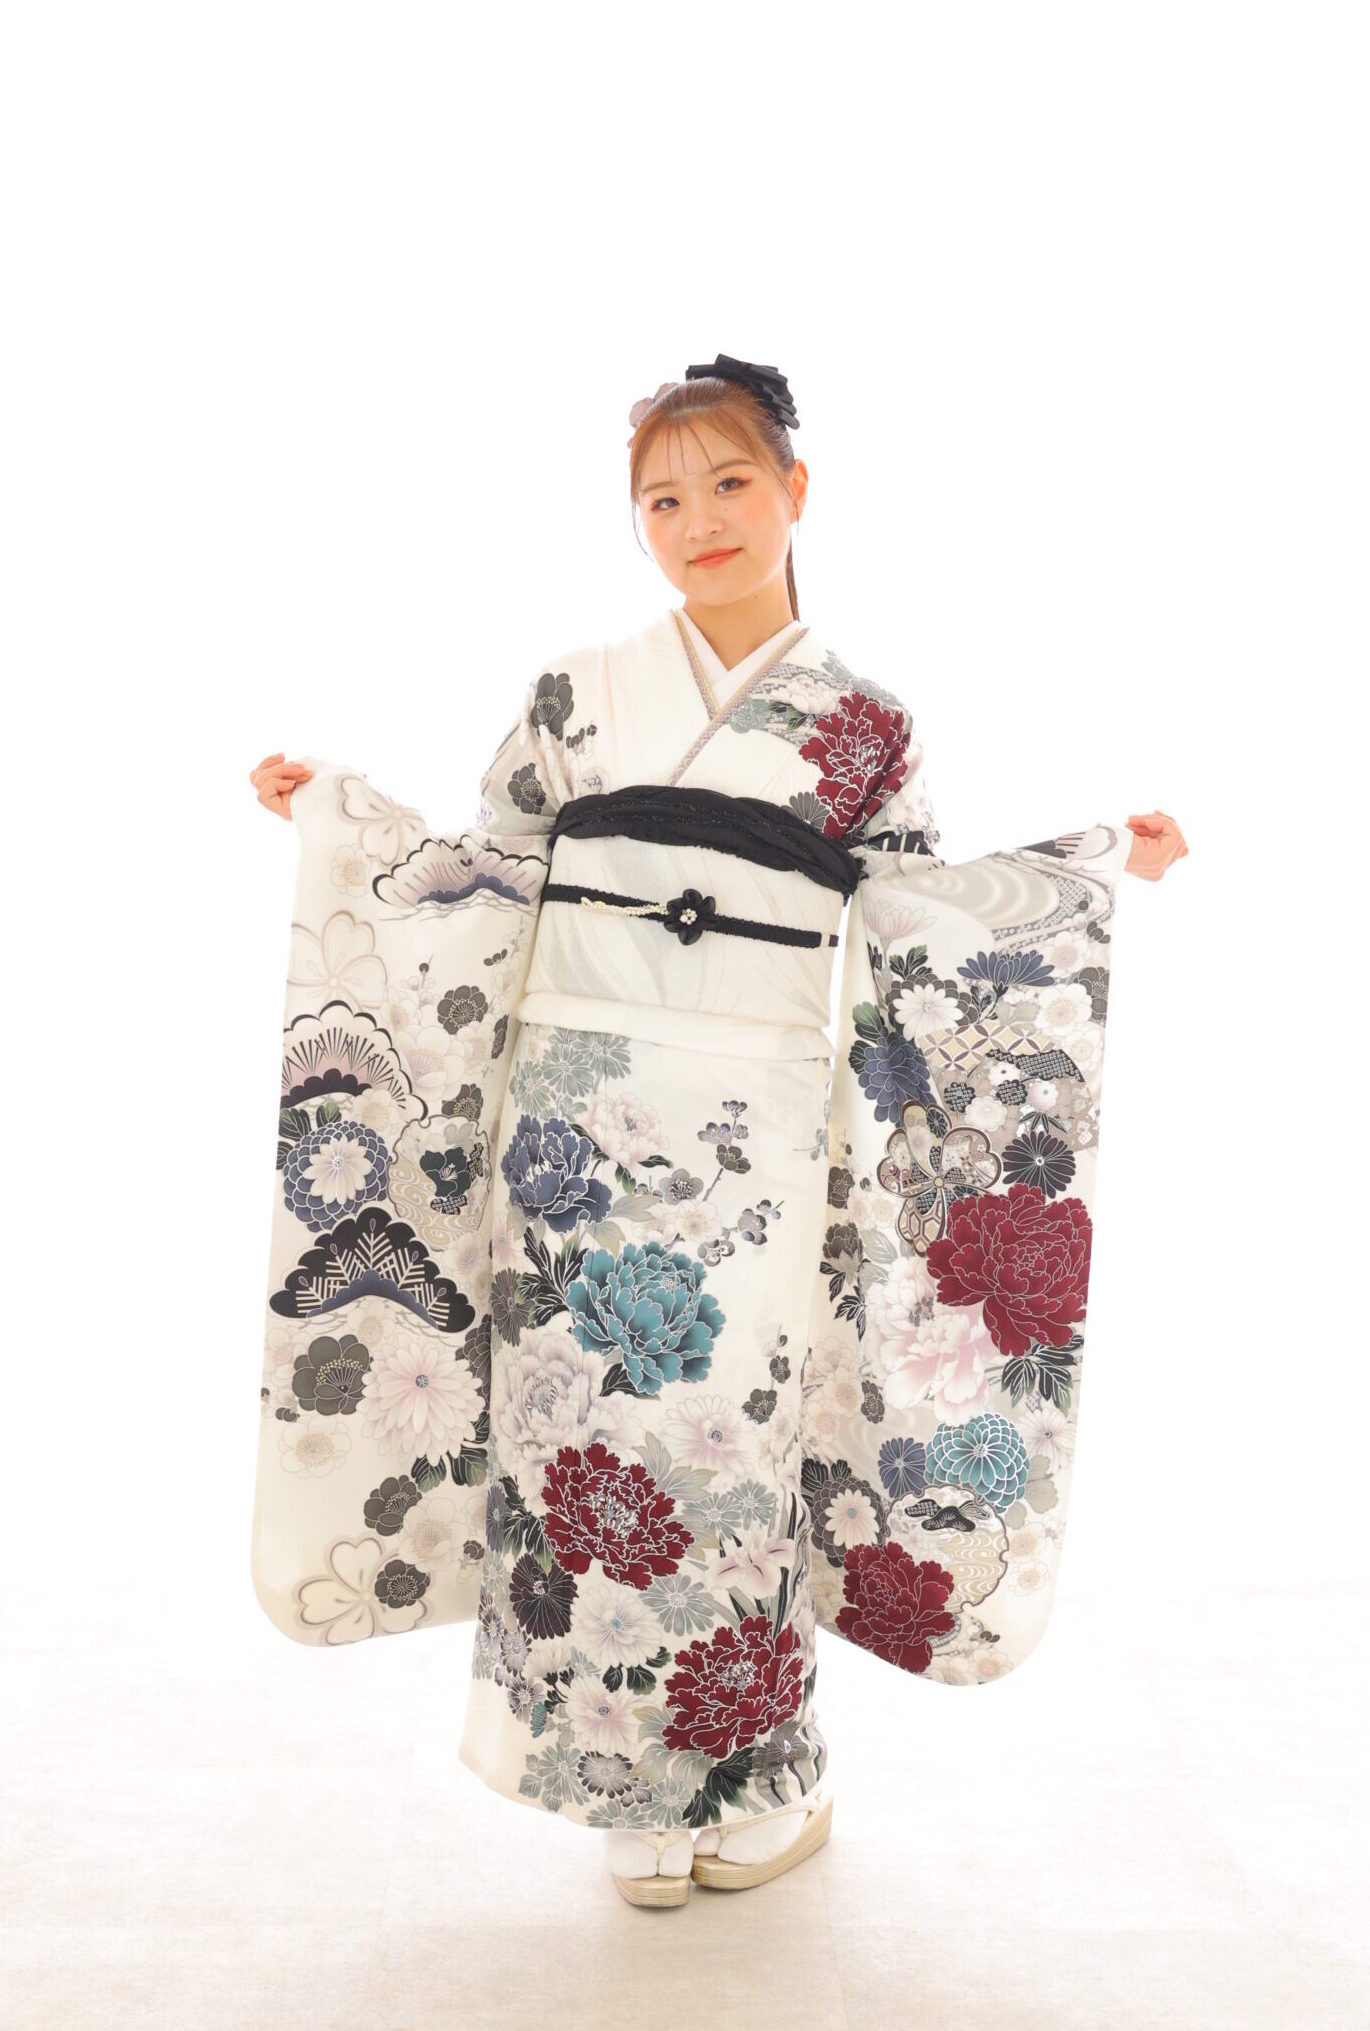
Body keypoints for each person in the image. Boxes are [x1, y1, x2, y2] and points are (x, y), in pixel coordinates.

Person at [248, 355, 1187, 1909]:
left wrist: (1087, 872)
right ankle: (614, 1783)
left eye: (729, 484)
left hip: (752, 1127)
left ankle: (760, 1776)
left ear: (794, 490)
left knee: (728, 1438)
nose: (699, 521)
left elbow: (918, 919)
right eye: (662, 501)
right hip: (565, 1128)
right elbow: (481, 880)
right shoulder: (574, 694)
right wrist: (339, 816)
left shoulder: (864, 725)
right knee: (578, 1438)